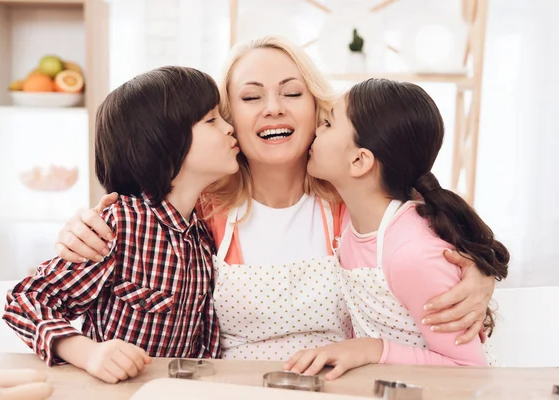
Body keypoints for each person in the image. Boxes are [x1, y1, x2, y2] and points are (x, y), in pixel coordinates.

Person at [52, 36, 497, 360]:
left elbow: (437, 243)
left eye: (291, 92)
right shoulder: (199, 210)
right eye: (250, 96)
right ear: (225, 120)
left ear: (317, 108)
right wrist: (76, 231)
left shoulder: (353, 201)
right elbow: (129, 229)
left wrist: (482, 274)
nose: (273, 108)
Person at [2, 66, 239, 383]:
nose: (229, 128)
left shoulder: (202, 234)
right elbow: (26, 302)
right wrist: (88, 353)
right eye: (212, 120)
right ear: (164, 145)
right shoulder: (120, 223)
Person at [283, 79, 509, 379]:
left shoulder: (412, 254)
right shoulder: (354, 220)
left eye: (327, 124)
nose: (315, 129)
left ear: (359, 160)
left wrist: (372, 350)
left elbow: (468, 371)